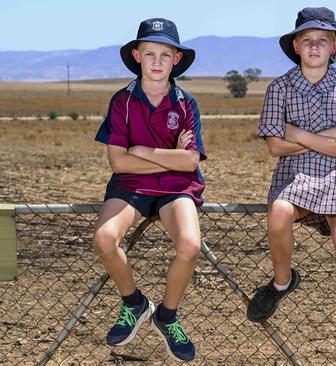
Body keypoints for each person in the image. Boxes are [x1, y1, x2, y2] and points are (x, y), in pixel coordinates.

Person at [246, 7, 336, 341]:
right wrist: (328, 138)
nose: (314, 47)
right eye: (307, 40)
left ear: (333, 46)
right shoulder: (279, 88)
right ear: (296, 46)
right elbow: (275, 147)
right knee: (278, 213)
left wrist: (300, 135)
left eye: (323, 40)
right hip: (295, 177)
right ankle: (282, 281)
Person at [93, 18, 206, 362]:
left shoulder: (185, 103)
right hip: (131, 186)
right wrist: (169, 157)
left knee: (190, 245)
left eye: (165, 54)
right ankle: (134, 302)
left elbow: (190, 163)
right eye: (150, 53)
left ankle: (167, 316)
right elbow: (119, 164)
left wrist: (142, 152)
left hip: (176, 188)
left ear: (176, 59)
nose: (157, 61)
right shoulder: (122, 101)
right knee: (104, 239)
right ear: (137, 56)